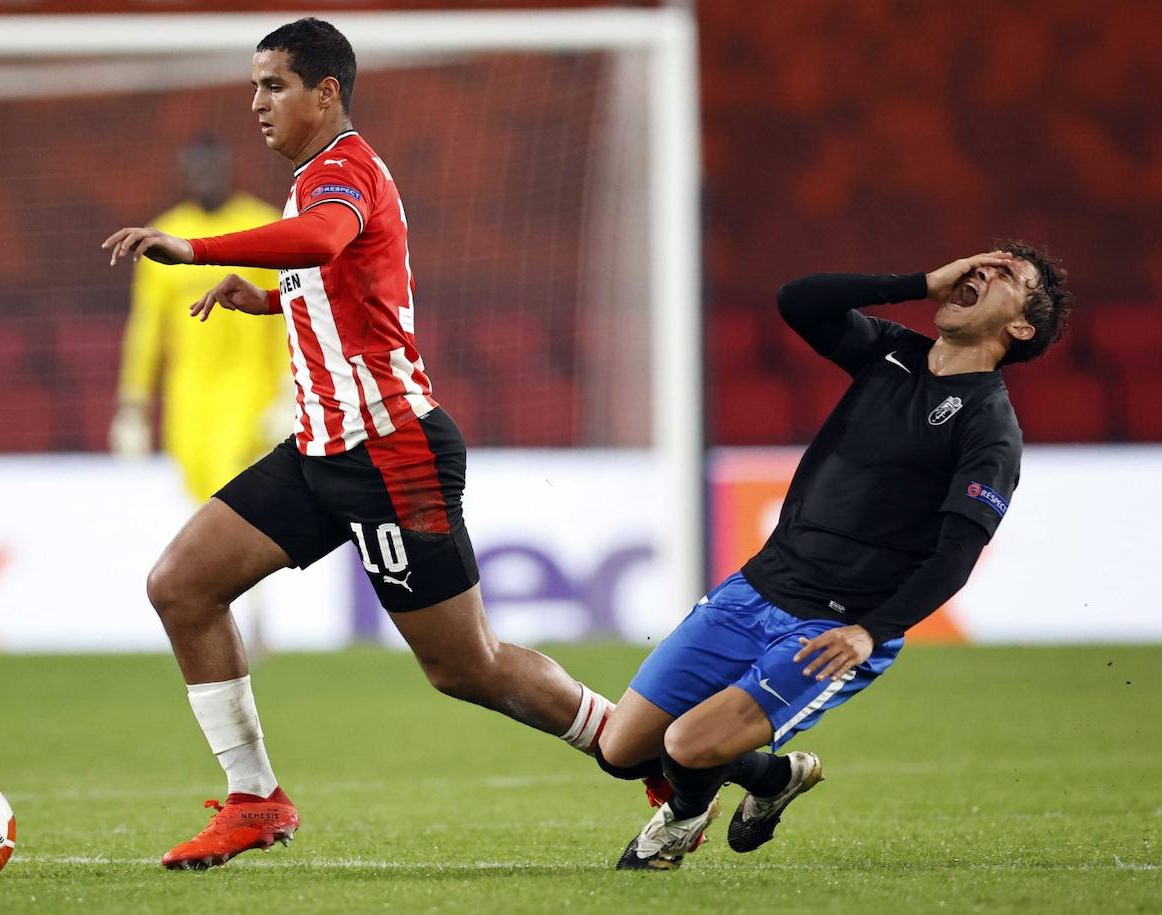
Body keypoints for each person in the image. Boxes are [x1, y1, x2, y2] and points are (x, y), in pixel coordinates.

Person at [102, 18, 613, 870]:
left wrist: (195, 249)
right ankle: (255, 800)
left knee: (466, 667)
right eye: (255, 85)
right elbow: (342, 285)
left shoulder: (340, 171)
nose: (255, 103)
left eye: (273, 85)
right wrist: (264, 300)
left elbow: (325, 241)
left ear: (325, 91)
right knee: (182, 586)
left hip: (393, 452)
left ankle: (646, 750)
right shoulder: (313, 177)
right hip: (322, 450)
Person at [596, 244, 1072, 870]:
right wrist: (920, 280)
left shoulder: (989, 426)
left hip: (833, 628)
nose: (982, 271)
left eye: (1007, 275)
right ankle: (771, 779)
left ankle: (679, 824)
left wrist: (870, 632)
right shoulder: (891, 352)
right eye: (981, 263)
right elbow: (799, 299)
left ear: (1020, 328)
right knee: (621, 749)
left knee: (685, 745)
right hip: (756, 589)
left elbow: (957, 556)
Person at [111, 134, 292, 503]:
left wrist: (290, 390)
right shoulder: (162, 237)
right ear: (183, 175)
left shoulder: (261, 227)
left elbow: (288, 314)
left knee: (234, 490)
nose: (205, 178)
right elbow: (147, 329)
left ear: (228, 170)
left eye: (212, 169)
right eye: (196, 170)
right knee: (199, 493)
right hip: (189, 392)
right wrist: (134, 405)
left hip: (248, 386)